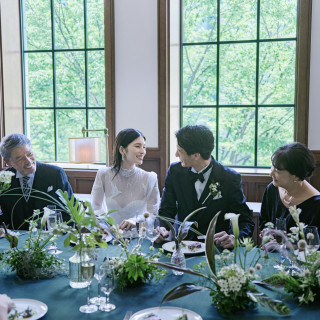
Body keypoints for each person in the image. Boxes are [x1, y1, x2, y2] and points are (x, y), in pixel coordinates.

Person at [158, 125, 254, 249]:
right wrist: (162, 228)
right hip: (182, 246)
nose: (176, 154)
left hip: (216, 249)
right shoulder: (175, 172)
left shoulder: (229, 178)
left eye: (180, 151)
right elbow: (167, 209)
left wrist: (235, 237)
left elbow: (245, 220)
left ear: (196, 155)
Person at [0, 133, 73, 230]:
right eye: (20, 158)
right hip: (15, 241)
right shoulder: (3, 179)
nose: (28, 161)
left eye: (29, 154)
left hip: (50, 238)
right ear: (8, 162)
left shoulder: (55, 174)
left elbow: (70, 211)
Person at [91, 128, 160, 230]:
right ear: (122, 149)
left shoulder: (150, 178)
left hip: (139, 238)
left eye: (144, 147)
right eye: (138, 146)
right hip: (110, 236)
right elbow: (96, 208)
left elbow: (152, 214)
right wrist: (106, 226)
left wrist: (135, 221)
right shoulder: (103, 174)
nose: (143, 151)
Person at [260, 142, 320, 233]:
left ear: (296, 176)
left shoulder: (316, 205)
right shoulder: (272, 189)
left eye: (278, 171)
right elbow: (263, 221)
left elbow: (313, 243)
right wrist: (267, 233)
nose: (271, 173)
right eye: (273, 167)